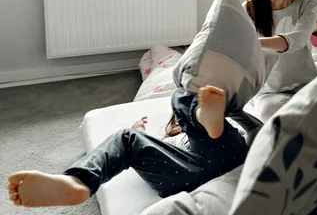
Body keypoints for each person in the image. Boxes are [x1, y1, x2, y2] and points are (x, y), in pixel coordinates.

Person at [7, 87, 248, 207]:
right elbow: (152, 150)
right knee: (130, 137)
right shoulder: (173, 139)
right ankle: (76, 182)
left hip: (190, 171)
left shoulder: (209, 130)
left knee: (180, 95)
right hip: (210, 162)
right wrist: (139, 133)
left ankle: (80, 180)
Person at [244, 0, 317, 122]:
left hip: (308, 81)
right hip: (270, 91)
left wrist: (253, 43)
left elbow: (298, 40)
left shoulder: (309, 3)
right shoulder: (248, 9)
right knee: (270, 114)